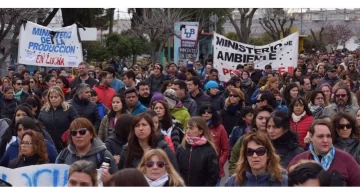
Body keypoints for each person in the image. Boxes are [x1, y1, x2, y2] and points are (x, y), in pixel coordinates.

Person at [288, 119, 360, 186]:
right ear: (311, 137)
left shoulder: (346, 159)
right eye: (320, 136)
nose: (325, 140)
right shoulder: (299, 160)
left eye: (328, 136)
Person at [228, 105, 274, 175]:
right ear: (255, 120)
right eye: (260, 118)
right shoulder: (244, 139)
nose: (264, 121)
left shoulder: (277, 140)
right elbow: (233, 162)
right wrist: (237, 179)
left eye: (267, 118)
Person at [176, 116, 219, 186]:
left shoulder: (209, 151)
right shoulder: (181, 148)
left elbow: (213, 177)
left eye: (191, 128)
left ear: (201, 131)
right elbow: (176, 171)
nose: (187, 131)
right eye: (187, 128)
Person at [38, 86, 79, 152]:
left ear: (61, 97)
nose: (53, 99)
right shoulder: (43, 111)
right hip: (49, 144)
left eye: (56, 97)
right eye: (51, 97)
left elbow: (77, 124)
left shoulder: (69, 109)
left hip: (66, 144)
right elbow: (39, 126)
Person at [198, 104, 230, 186]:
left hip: (215, 169)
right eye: (204, 111)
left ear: (213, 113)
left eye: (209, 111)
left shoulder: (220, 128)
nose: (206, 113)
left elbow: (226, 149)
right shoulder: (195, 127)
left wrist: (219, 163)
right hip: (198, 168)